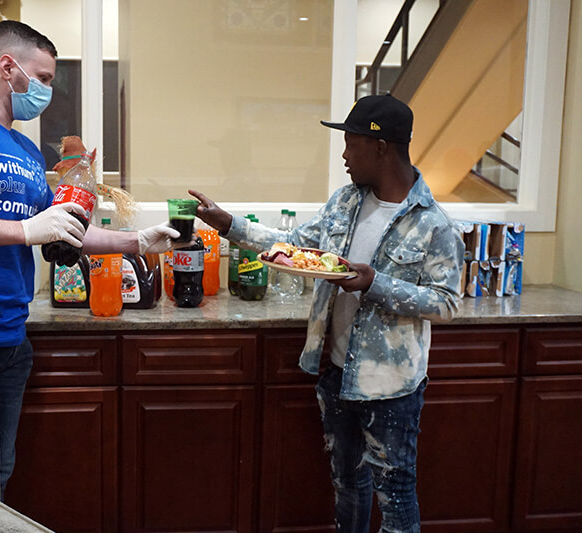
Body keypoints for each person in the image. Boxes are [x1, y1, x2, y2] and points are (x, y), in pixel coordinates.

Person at [0, 20, 182, 498]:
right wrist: (25, 230)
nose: (47, 90)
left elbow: (64, 227)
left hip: (8, 335)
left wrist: (136, 242)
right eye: (44, 78)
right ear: (8, 67)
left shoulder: (24, 149)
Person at [190, 94, 464, 532]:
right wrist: (229, 225)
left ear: (380, 147)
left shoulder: (435, 225)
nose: (344, 155)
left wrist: (375, 283)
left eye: (351, 144)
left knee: (394, 495)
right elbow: (295, 245)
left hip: (389, 387)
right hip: (335, 371)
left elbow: (447, 303)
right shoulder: (345, 201)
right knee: (348, 485)